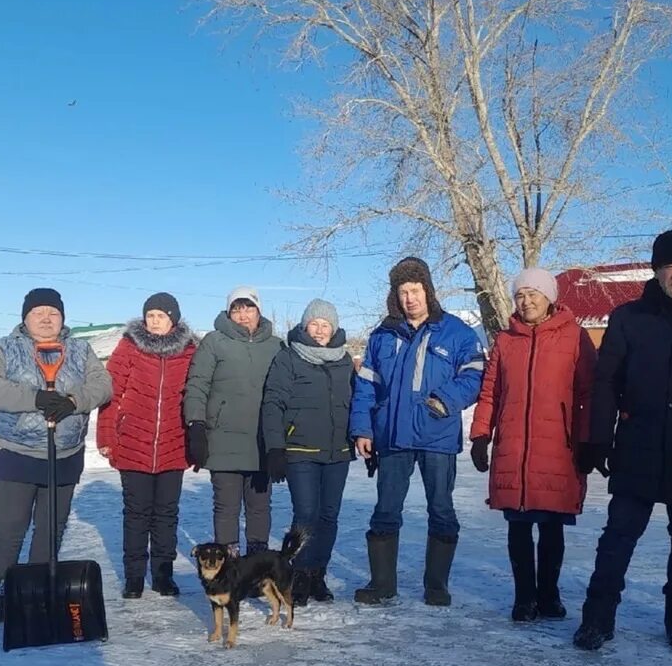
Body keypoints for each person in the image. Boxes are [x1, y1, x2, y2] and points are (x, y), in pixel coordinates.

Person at [573, 229, 672, 651]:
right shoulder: (628, 317)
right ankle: (597, 618)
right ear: (656, 270)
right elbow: (606, 381)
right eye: (669, 266)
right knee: (618, 536)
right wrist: (598, 438)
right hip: (637, 444)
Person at [349, 257, 486, 607]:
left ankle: (436, 586)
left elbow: (474, 377)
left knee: (441, 508)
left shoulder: (456, 332)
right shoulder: (382, 335)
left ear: (428, 291)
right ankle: (382, 585)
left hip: (437, 436)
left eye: (416, 290)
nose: (410, 298)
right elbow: (366, 385)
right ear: (395, 295)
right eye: (403, 291)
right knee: (386, 509)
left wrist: (444, 400)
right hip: (392, 436)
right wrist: (363, 428)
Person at [0, 287, 113, 624]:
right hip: (16, 452)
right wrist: (35, 398)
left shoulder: (80, 349)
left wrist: (71, 401)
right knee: (10, 526)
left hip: (65, 453)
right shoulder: (3, 348)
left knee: (51, 528)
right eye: (39, 312)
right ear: (25, 317)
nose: (47, 318)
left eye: (54, 312)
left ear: (63, 318)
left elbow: (103, 385)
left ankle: (34, 592)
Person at [470, 268, 597, 622]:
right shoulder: (505, 341)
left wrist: (590, 439)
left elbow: (590, 392)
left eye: (533, 294)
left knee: (552, 525)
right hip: (515, 445)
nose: (525, 302)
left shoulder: (575, 337)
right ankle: (524, 597)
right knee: (519, 524)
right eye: (520, 295)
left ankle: (549, 595)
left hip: (559, 446)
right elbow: (490, 391)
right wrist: (481, 433)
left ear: (549, 298)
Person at [96, 292, 198, 599]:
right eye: (150, 316)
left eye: (161, 316)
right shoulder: (129, 346)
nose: (154, 321)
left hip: (174, 443)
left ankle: (163, 575)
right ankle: (134, 577)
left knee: (166, 514)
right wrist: (106, 436)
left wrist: (197, 441)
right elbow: (110, 394)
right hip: (133, 444)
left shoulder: (191, 351)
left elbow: (198, 396)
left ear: (173, 319)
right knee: (136, 513)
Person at [261, 298, 354, 606]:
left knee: (329, 516)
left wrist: (366, 438)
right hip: (300, 449)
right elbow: (273, 402)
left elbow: (358, 404)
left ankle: (317, 574)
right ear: (304, 326)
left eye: (324, 325)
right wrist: (275, 446)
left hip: (338, 451)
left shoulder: (344, 361)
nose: (318, 330)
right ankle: (298, 575)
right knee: (307, 514)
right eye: (313, 324)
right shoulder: (288, 358)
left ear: (334, 328)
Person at [183, 286, 283, 554]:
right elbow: (197, 385)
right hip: (223, 438)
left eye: (248, 307)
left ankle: (257, 565)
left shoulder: (275, 346)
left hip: (262, 440)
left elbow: (287, 392)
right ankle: (229, 565)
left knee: (259, 506)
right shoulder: (214, 341)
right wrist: (196, 424)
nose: (242, 314)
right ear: (229, 313)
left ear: (258, 311)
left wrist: (282, 439)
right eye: (236, 309)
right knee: (226, 506)